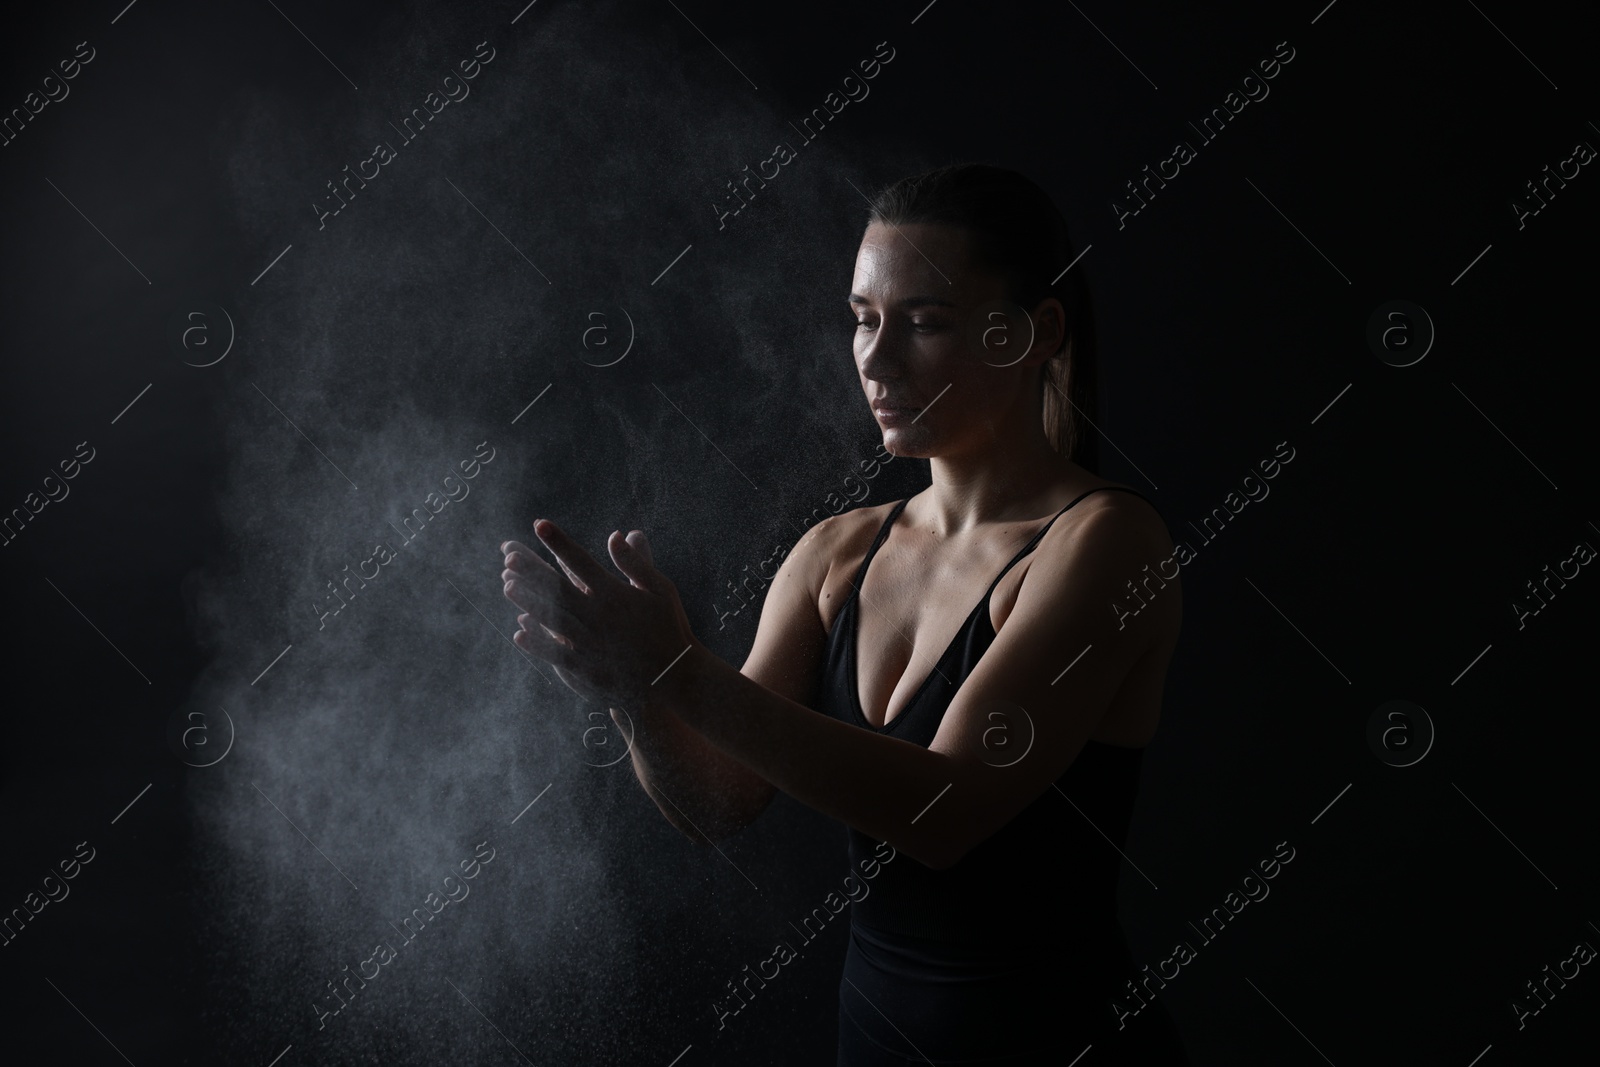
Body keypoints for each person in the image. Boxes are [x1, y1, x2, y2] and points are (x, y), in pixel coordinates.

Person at [500, 163, 1189, 1065]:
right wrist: (638, 693)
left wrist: (678, 672)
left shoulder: (1107, 544)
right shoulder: (836, 553)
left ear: (1034, 331)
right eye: (863, 320)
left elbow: (943, 812)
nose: (874, 357)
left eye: (925, 323)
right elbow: (717, 797)